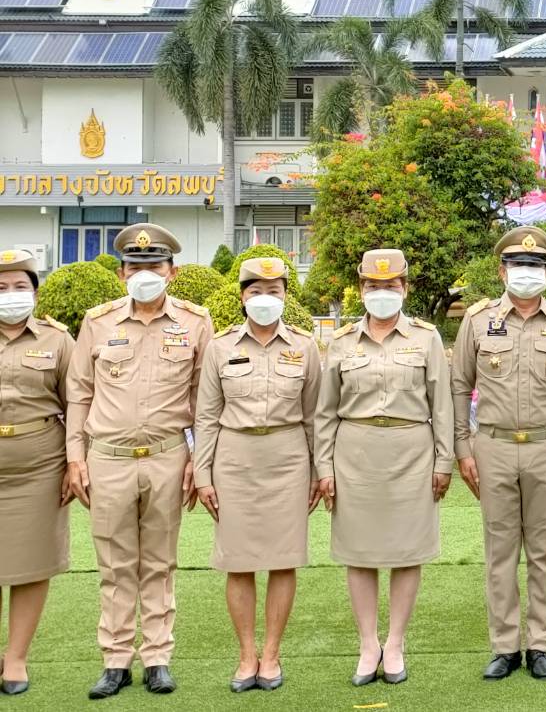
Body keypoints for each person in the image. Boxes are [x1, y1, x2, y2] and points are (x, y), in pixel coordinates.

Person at [66, 224, 212, 700]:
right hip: (108, 458)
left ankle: (157, 659)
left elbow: (204, 397)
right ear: (121, 272)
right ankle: (115, 661)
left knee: (160, 562)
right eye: (134, 266)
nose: (143, 274)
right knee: (115, 564)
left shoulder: (195, 321)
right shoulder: (98, 321)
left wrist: (198, 458)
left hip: (169, 456)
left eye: (154, 265)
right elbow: (79, 393)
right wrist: (75, 456)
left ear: (172, 271)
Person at [452, 227, 546, 682]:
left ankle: (540, 645)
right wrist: (462, 446)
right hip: (492, 446)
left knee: (544, 552)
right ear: (502, 271)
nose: (526, 273)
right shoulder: (477, 321)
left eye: (535, 266)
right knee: (499, 552)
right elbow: (459, 386)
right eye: (518, 266)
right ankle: (504, 647)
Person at [314, 249, 453, 688]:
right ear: (361, 289)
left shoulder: (426, 338)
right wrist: (324, 467)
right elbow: (325, 412)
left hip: (412, 453)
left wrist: (444, 460)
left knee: (407, 550)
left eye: (391, 285)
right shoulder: (341, 342)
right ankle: (367, 643)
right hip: (354, 455)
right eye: (373, 286)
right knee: (359, 551)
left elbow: (442, 405)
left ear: (405, 288)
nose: (382, 293)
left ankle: (395, 642)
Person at [193, 257, 321, 693]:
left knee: (283, 559)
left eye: (273, 292)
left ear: (285, 295)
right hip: (235, 459)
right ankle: (246, 655)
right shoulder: (220, 347)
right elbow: (206, 416)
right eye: (256, 292)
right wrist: (203, 474)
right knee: (239, 561)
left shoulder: (305, 345)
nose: (265, 299)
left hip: (288, 459)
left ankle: (272, 654)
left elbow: (314, 417)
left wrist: (318, 471)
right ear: (242, 296)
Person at [0, 248, 74, 697]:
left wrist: (74, 462)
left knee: (30, 563)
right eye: (1, 287)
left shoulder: (57, 339)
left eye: (19, 286)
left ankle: (16, 657)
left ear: (35, 293)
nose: (10, 294)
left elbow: (77, 405)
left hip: (39, 465)